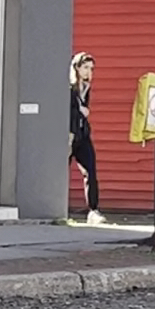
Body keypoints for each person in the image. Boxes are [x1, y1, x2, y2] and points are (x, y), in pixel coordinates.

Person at [70, 52, 104, 224]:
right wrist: (80, 112)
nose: (89, 72)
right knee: (60, 172)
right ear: (76, 68)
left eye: (91, 68)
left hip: (82, 135)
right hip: (68, 135)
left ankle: (93, 209)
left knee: (90, 171)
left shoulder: (86, 88)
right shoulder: (69, 88)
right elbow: (65, 110)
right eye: (85, 68)